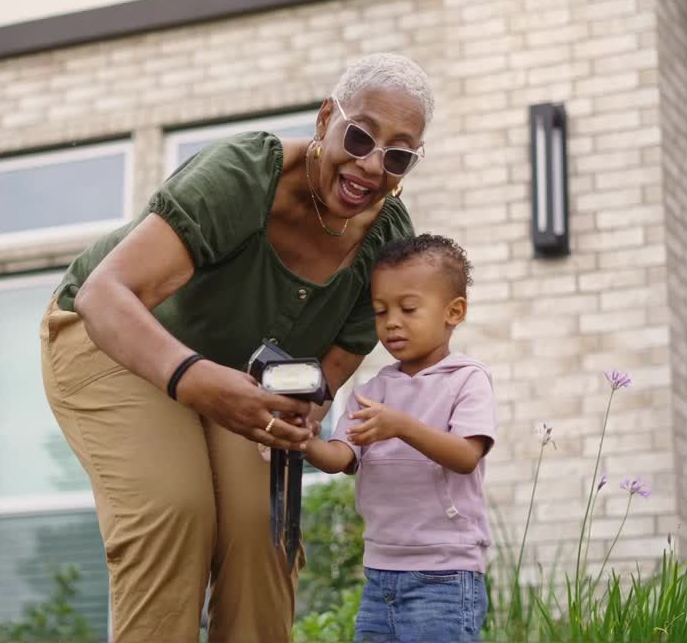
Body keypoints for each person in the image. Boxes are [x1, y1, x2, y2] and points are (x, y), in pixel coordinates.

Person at [38, 53, 434, 642]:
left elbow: (322, 378)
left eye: (398, 155)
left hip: (237, 381)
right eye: (360, 136)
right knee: (176, 510)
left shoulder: (388, 240)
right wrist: (195, 380)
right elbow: (106, 295)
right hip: (111, 341)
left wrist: (305, 420)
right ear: (327, 118)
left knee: (266, 529)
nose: (372, 165)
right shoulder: (245, 174)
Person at [304, 233, 497, 643]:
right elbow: (342, 456)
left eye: (408, 309)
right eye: (380, 311)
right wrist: (304, 443)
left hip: (444, 576)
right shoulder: (374, 388)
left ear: (454, 311)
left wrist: (401, 426)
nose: (392, 322)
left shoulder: (467, 380)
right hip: (380, 574)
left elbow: (465, 455)